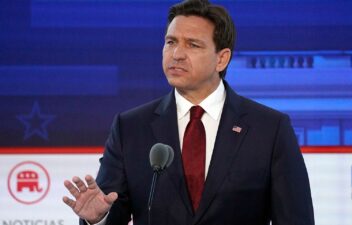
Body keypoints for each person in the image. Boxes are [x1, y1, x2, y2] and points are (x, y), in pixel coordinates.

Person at [63, 0, 315, 224]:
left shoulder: (269, 128)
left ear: (222, 59)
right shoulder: (130, 127)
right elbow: (111, 208)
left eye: (192, 45)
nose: (176, 54)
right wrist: (99, 219)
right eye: (170, 42)